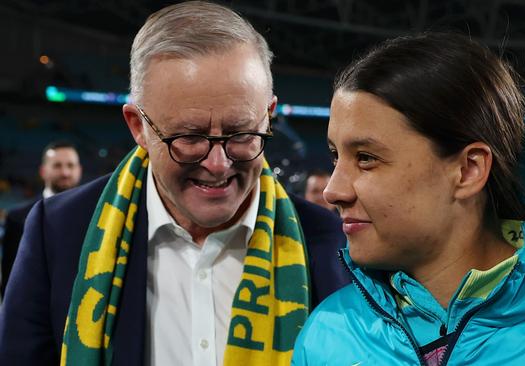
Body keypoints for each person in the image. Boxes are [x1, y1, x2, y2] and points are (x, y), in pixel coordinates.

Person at [0, 2, 348, 365]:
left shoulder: (332, 245)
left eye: (241, 133)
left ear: (269, 117)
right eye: (189, 137)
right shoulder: (56, 233)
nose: (218, 164)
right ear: (139, 127)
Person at [292, 32, 525, 365]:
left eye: (366, 158)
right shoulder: (327, 334)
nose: (333, 191)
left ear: (468, 170)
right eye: (335, 157)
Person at [1, 140, 82, 296]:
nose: (65, 172)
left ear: (79, 170)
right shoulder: (17, 218)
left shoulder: (97, 214)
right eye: (57, 166)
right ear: (43, 171)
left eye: (70, 166)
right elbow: (10, 282)